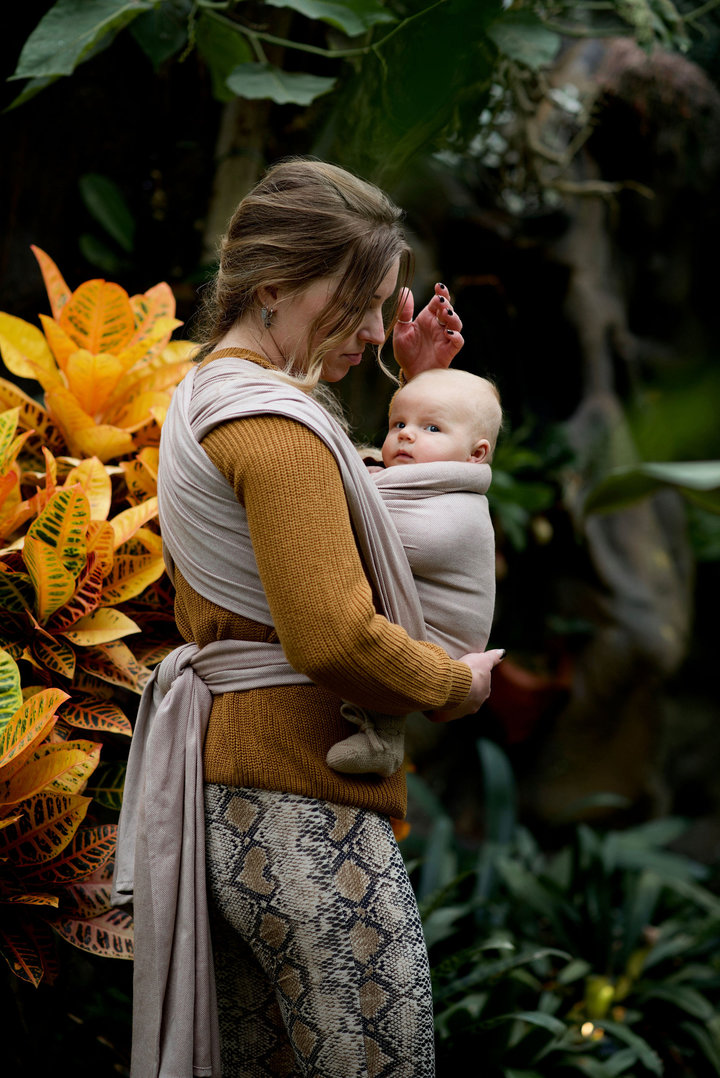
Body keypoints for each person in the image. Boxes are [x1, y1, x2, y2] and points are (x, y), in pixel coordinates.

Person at [117, 158, 504, 1078]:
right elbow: (329, 631)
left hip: (240, 795)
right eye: (359, 305)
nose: (375, 332)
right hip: (298, 801)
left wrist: (416, 393)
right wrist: (453, 684)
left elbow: (317, 523)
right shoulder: (274, 423)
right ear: (275, 286)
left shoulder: (218, 396)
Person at [327, 368, 503, 777]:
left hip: (437, 643)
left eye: (431, 427)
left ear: (474, 455)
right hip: (417, 629)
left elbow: (384, 529)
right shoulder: (419, 482)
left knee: (390, 647)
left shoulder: (460, 508)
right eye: (399, 424)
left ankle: (383, 737)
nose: (406, 435)